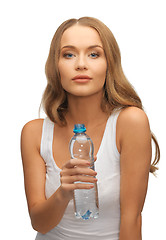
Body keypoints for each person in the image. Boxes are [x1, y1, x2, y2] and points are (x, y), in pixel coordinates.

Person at [21, 17, 160, 240]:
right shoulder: (34, 133)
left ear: (109, 64)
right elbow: (39, 223)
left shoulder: (130, 122)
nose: (81, 64)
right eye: (69, 54)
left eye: (94, 54)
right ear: (55, 66)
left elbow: (132, 220)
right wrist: (64, 192)